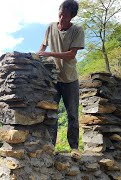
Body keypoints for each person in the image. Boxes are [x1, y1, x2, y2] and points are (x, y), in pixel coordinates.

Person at [38, 0, 84, 159]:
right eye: (60, 14)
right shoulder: (51, 27)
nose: (61, 18)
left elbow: (72, 54)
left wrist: (50, 54)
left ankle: (74, 147)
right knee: (51, 113)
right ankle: (50, 146)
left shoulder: (77, 30)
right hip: (54, 79)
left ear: (72, 16)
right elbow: (43, 48)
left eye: (65, 15)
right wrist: (37, 58)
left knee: (72, 114)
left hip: (70, 79)